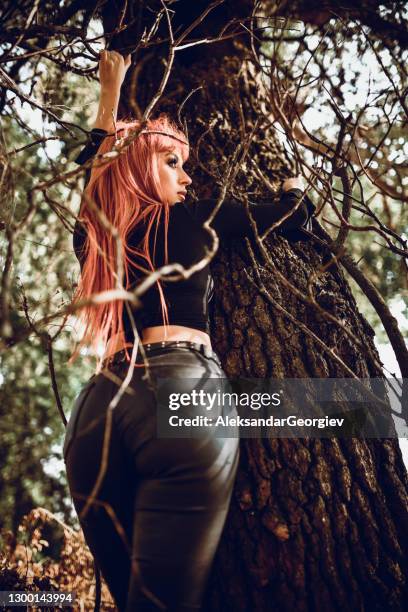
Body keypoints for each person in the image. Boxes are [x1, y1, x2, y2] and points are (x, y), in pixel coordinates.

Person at [63, 50, 315, 611]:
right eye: (172, 162)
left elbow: (92, 170)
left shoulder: (96, 239)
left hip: (97, 409)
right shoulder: (195, 216)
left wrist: (111, 92)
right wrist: (295, 182)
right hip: (180, 391)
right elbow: (297, 219)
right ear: (137, 167)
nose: (188, 174)